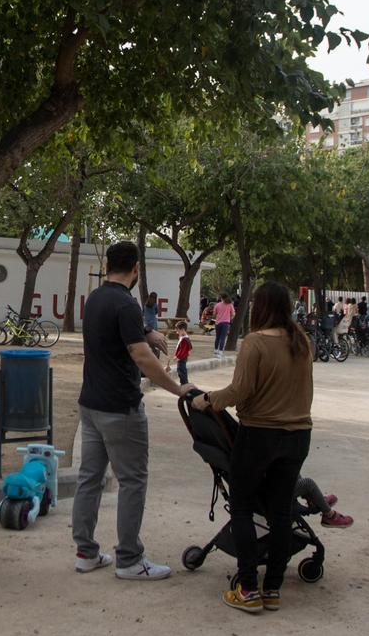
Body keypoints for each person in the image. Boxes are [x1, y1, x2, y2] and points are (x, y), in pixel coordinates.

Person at [189, 281, 315, 614]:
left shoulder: (255, 343)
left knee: (243, 507)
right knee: (281, 512)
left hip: (259, 435)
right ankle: (272, 588)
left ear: (259, 307)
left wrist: (207, 400)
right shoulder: (302, 341)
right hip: (299, 435)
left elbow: (240, 391)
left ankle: (248, 588)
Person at [71, 241, 187, 581]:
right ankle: (130, 559)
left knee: (89, 480)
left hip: (89, 405)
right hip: (120, 408)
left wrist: (147, 331)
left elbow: (117, 333)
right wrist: (177, 388)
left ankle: (86, 553)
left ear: (109, 266)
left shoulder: (95, 298)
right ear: (136, 268)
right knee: (133, 480)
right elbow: (140, 357)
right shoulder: (126, 304)